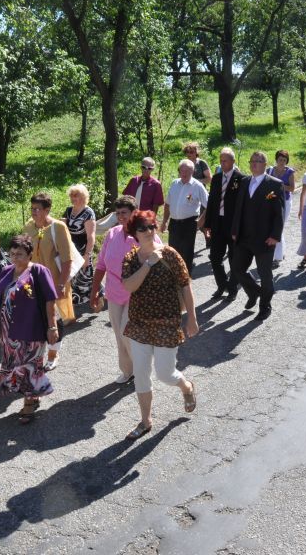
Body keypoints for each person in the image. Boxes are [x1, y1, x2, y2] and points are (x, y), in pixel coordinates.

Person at [120, 210, 199, 441]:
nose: (148, 231)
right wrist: (148, 264)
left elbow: (185, 285)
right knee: (141, 375)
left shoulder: (170, 254)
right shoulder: (131, 258)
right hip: (139, 325)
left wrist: (192, 318)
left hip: (167, 323)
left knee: (165, 374)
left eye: (151, 226)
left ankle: (186, 387)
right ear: (134, 233)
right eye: (142, 228)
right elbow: (129, 286)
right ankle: (145, 421)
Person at [0, 235, 60, 424]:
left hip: (32, 329)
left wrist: (52, 326)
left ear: (30, 255)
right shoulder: (6, 271)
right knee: (15, 366)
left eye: (20, 254)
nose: (15, 258)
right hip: (8, 332)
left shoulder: (39, 271)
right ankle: (33, 395)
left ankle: (28, 404)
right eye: (12, 253)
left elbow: (50, 301)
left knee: (29, 366)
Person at [231, 150, 285, 321]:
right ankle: (254, 292)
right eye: (252, 161)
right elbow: (238, 208)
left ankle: (265, 306)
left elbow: (279, 214)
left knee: (264, 274)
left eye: (258, 161)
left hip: (265, 238)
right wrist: (235, 230)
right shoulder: (245, 181)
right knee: (237, 268)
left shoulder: (275, 184)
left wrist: (275, 236)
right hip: (244, 237)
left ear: (265, 165)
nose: (254, 164)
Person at [90, 196, 139, 384]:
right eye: (117, 213)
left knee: (128, 334)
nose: (120, 217)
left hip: (136, 294)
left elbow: (157, 260)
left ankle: (141, 371)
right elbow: (101, 265)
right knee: (119, 335)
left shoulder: (144, 233)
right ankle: (128, 371)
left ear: (134, 213)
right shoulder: (112, 234)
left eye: (124, 212)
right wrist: (95, 291)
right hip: (113, 293)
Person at [23, 192, 75, 370]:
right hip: (32, 281)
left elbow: (67, 259)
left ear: (47, 210)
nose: (34, 212)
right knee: (36, 317)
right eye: (32, 208)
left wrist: (61, 284)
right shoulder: (28, 227)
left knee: (54, 319)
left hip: (54, 282)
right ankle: (37, 353)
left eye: (38, 209)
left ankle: (53, 354)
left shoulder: (58, 227)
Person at [203, 147, 243, 299]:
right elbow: (212, 202)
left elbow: (242, 206)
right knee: (215, 257)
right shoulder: (217, 178)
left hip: (232, 225)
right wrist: (207, 225)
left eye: (225, 160)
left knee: (234, 259)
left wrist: (240, 227)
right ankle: (222, 285)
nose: (222, 163)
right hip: (217, 224)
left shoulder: (241, 179)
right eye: (221, 160)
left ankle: (233, 289)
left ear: (233, 161)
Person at [160, 159, 208, 274]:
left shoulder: (197, 186)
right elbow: (168, 204)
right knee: (172, 253)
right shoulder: (174, 183)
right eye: (182, 170)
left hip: (189, 223)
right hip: (174, 223)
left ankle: (186, 280)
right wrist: (164, 221)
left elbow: (210, 205)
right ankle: (174, 279)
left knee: (186, 255)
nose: (184, 173)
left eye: (187, 170)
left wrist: (201, 220)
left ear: (193, 171)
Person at [62, 184, 98, 306]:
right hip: (70, 250)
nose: (73, 198)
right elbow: (62, 229)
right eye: (71, 195)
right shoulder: (68, 210)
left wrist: (87, 255)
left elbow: (91, 236)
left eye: (75, 195)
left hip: (83, 250)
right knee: (71, 276)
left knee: (84, 280)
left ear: (83, 197)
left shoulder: (88, 213)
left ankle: (95, 299)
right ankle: (75, 304)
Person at [266, 150, 296, 269]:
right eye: (280, 160)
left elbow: (292, 188)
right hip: (271, 201)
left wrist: (280, 186)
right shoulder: (270, 171)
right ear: (276, 160)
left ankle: (277, 257)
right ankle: (279, 253)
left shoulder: (290, 172)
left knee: (279, 228)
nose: (282, 162)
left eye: (284, 160)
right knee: (271, 227)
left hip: (285, 202)